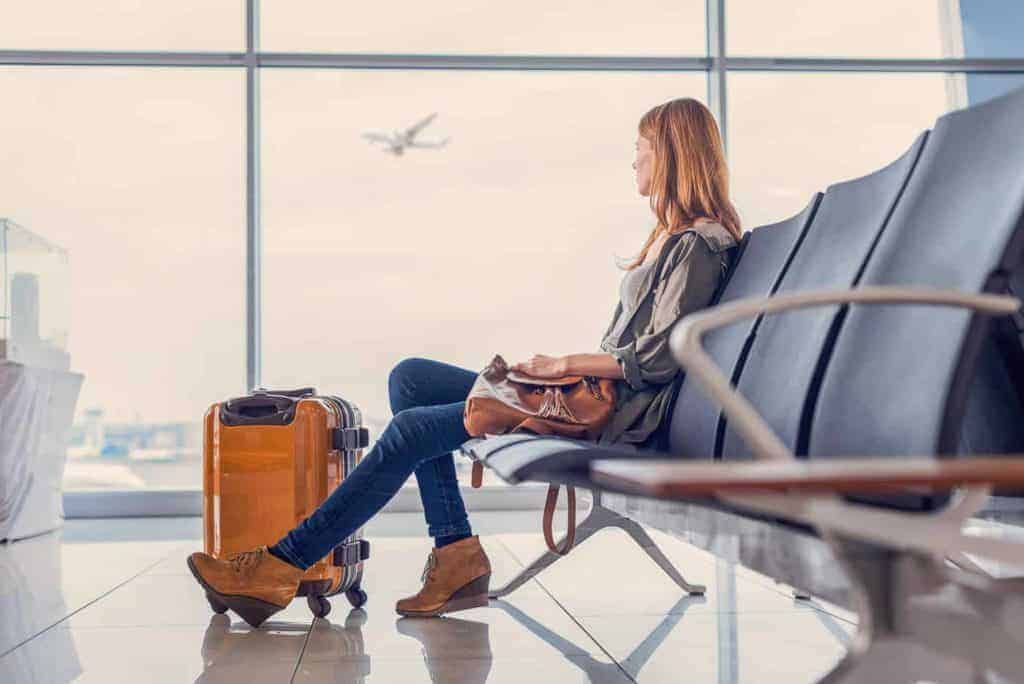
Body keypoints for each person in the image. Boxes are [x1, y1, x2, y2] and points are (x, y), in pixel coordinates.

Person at [186, 97, 742, 624]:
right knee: (411, 378)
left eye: (643, 146)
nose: (635, 158)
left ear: (671, 155)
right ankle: (456, 552)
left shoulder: (696, 246)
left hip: (616, 420)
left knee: (409, 430)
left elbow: (660, 359)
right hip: (595, 400)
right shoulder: (675, 241)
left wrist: (560, 366)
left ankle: (280, 566)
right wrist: (559, 370)